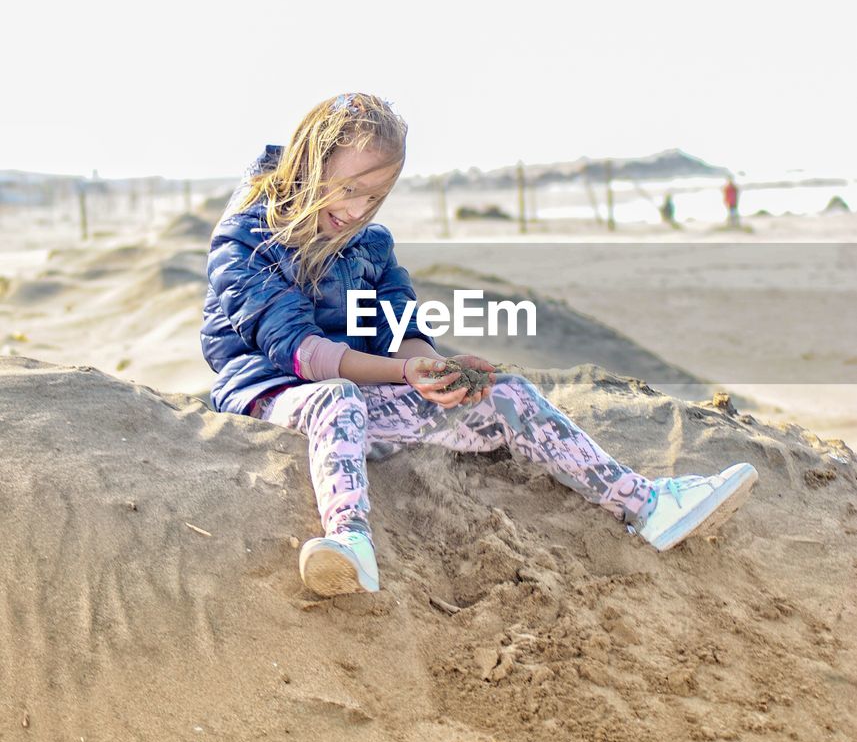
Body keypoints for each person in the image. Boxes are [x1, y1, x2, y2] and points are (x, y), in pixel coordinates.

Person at [201, 94, 758, 597]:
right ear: (307, 165)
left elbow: (398, 329)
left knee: (506, 391)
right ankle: (349, 544)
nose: (357, 211)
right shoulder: (247, 239)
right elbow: (299, 350)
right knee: (338, 395)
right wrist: (401, 376)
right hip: (274, 393)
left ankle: (649, 506)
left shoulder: (370, 244)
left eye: (374, 197)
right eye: (348, 191)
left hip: (361, 399)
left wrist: (437, 369)